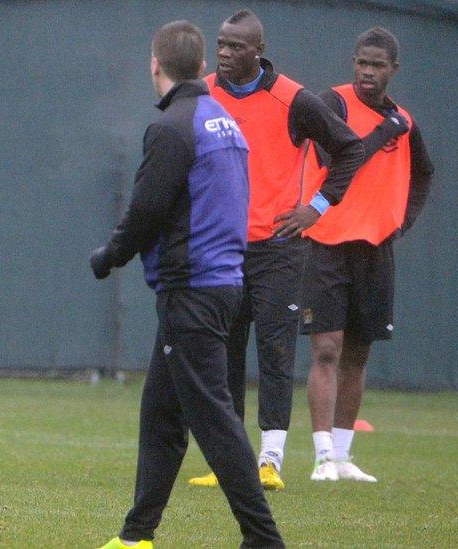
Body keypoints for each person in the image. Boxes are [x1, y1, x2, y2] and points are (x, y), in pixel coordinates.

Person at [90, 20, 284, 549]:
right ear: (201, 66)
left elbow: (148, 208)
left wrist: (109, 256)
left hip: (194, 290)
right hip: (219, 283)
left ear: (155, 64)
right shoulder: (221, 118)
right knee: (162, 417)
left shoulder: (173, 126)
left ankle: (263, 538)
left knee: (214, 420)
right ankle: (136, 537)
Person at [188, 9, 364, 491]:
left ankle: (270, 459)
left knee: (275, 349)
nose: (224, 53)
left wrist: (317, 206)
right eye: (220, 44)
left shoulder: (294, 100)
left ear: (258, 51)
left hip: (279, 247)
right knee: (225, 351)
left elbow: (350, 149)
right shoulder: (203, 92)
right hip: (221, 247)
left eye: (236, 46)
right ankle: (228, 459)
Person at [301, 27, 433, 482]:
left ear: (393, 70)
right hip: (327, 243)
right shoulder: (332, 104)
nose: (366, 72)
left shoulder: (404, 121)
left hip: (375, 250)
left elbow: (424, 175)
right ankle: (321, 458)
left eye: (376, 65)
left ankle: (342, 456)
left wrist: (402, 219)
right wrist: (383, 132)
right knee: (326, 349)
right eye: (361, 62)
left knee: (358, 353)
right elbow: (336, 160)